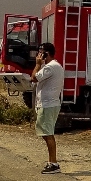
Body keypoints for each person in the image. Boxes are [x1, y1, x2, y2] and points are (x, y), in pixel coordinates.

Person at [30, 42, 64, 173]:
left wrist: (38, 64)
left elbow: (34, 78)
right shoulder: (54, 66)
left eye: (41, 52)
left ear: (46, 54)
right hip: (49, 103)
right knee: (46, 133)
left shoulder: (50, 67)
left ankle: (53, 163)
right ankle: (52, 161)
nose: (38, 55)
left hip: (48, 104)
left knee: (48, 134)